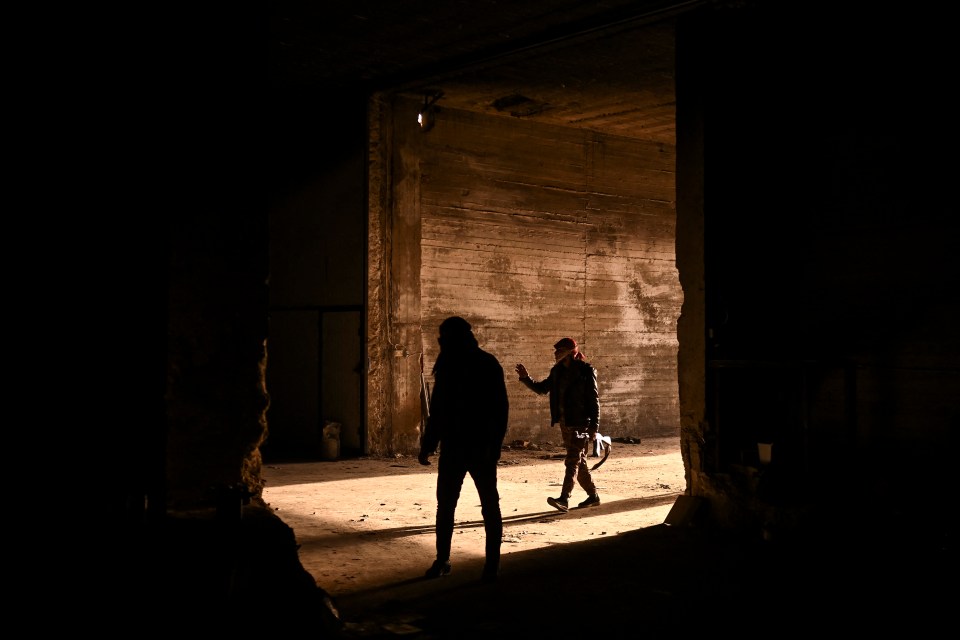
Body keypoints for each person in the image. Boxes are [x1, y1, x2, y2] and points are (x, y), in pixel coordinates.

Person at [418, 316, 509, 582]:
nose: (440, 342)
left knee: (448, 506)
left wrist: (429, 444)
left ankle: (445, 561)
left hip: (462, 448)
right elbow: (439, 410)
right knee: (486, 506)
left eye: (443, 337)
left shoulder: (451, 365)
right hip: (471, 448)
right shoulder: (483, 363)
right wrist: (429, 444)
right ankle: (490, 565)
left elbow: (497, 409)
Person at [515, 337, 601, 512]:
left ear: (570, 353)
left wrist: (594, 426)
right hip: (565, 423)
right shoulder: (557, 372)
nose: (556, 354)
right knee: (579, 461)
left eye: (559, 350)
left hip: (581, 424)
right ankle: (593, 496)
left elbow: (594, 400)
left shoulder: (586, 371)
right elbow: (542, 389)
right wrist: (526, 378)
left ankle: (564, 499)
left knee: (572, 460)